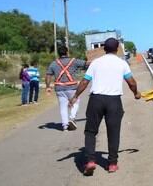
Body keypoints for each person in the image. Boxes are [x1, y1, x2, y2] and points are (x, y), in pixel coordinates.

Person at [69, 38, 140, 175]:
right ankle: (112, 163)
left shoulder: (96, 63)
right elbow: (131, 82)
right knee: (113, 132)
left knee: (90, 131)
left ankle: (90, 161)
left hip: (96, 100)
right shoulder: (121, 63)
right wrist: (136, 93)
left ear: (104, 48)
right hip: (114, 101)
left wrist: (75, 96)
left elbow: (85, 81)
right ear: (117, 48)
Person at [45, 45, 87, 131]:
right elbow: (86, 64)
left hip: (59, 89)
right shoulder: (74, 61)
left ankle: (65, 126)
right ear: (67, 52)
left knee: (63, 107)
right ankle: (72, 118)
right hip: (72, 88)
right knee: (75, 103)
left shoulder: (53, 63)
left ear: (58, 53)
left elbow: (48, 75)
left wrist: (48, 87)